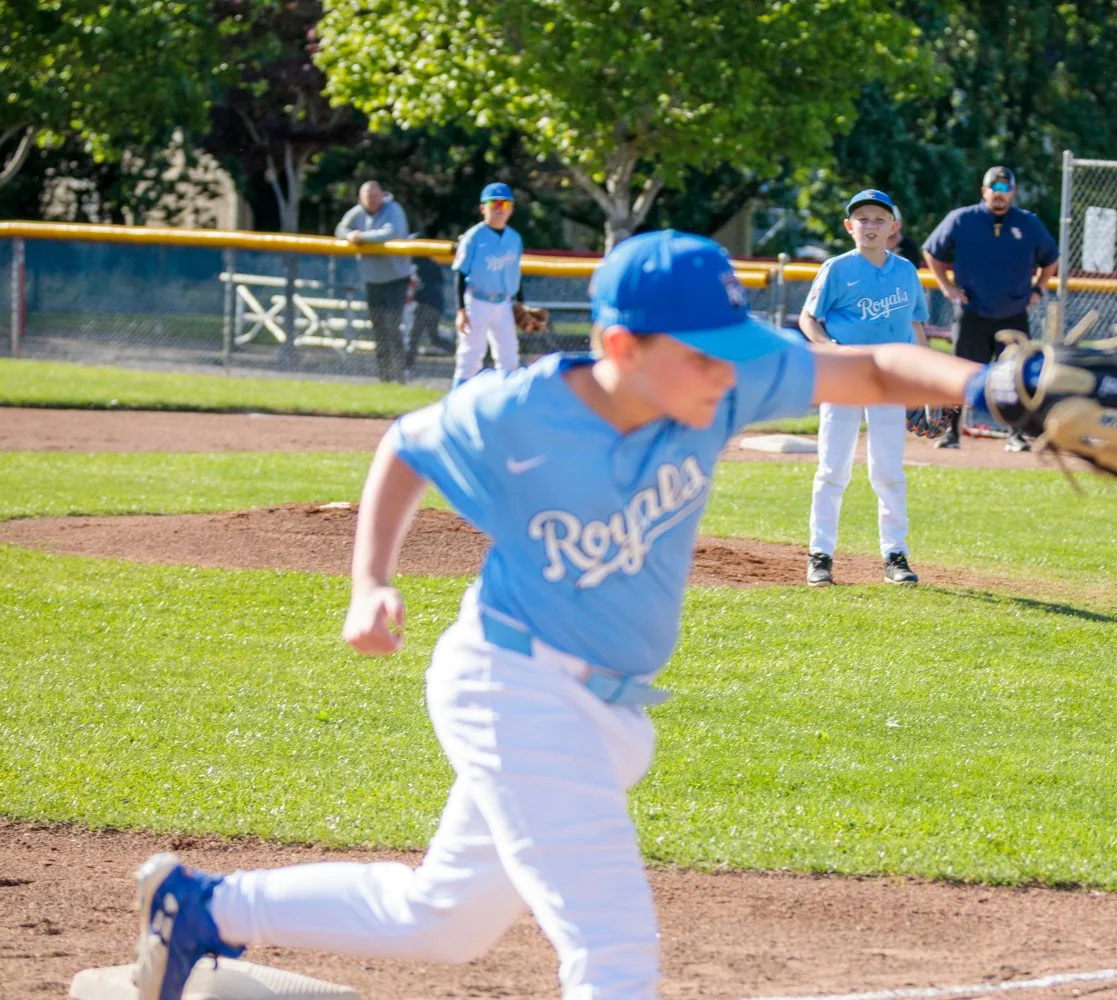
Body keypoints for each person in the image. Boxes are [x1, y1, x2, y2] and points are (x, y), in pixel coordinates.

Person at [127, 230, 1012, 1000]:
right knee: (614, 954)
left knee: (442, 921)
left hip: (600, 707)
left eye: (731, 347)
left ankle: (200, 908)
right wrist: (370, 582)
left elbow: (874, 365)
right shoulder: (521, 412)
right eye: (703, 352)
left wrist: (997, 386)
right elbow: (406, 444)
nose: (726, 369)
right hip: (513, 688)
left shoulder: (718, 383)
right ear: (622, 345)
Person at [800, 189, 929, 588]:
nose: (870, 226)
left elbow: (917, 327)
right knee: (832, 468)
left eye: (878, 219)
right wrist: (829, 349)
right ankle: (820, 555)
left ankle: (895, 554)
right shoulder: (837, 268)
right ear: (848, 226)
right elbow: (809, 318)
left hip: (888, 377)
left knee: (888, 470)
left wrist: (925, 383)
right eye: (862, 219)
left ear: (893, 227)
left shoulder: (906, 271)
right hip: (845, 376)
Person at [922, 165, 1059, 449]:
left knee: (1018, 377)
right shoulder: (962, 219)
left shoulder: (1028, 223)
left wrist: (1038, 289)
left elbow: (1051, 259)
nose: (999, 194)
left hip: (1012, 314)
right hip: (972, 312)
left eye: (1004, 189)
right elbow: (932, 251)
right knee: (961, 373)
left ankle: (1016, 435)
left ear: (1012, 192)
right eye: (994, 189)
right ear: (983, 191)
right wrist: (947, 287)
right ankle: (952, 433)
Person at [335, 181, 414, 383]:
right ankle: (385, 378)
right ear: (361, 199)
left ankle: (400, 375)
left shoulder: (393, 209)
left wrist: (361, 237)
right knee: (379, 329)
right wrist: (350, 235)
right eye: (368, 197)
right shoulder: (358, 212)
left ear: (382, 195)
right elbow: (340, 228)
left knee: (392, 327)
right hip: (373, 280)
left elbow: (391, 232)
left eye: (375, 196)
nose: (372, 200)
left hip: (396, 278)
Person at [451, 182, 524, 389]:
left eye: (505, 204)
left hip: (504, 304)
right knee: (470, 355)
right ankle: (456, 404)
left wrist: (520, 303)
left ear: (512, 209)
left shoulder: (515, 238)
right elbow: (460, 273)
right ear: (483, 208)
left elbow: (515, 272)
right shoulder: (473, 237)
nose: (500, 209)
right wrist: (461, 310)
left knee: (509, 356)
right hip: (477, 301)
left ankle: (508, 407)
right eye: (495, 203)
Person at [404, 254, 455, 376]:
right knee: (433, 337)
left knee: (415, 335)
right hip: (428, 304)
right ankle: (457, 351)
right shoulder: (416, 262)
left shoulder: (425, 264)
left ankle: (407, 366)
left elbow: (428, 286)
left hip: (430, 305)